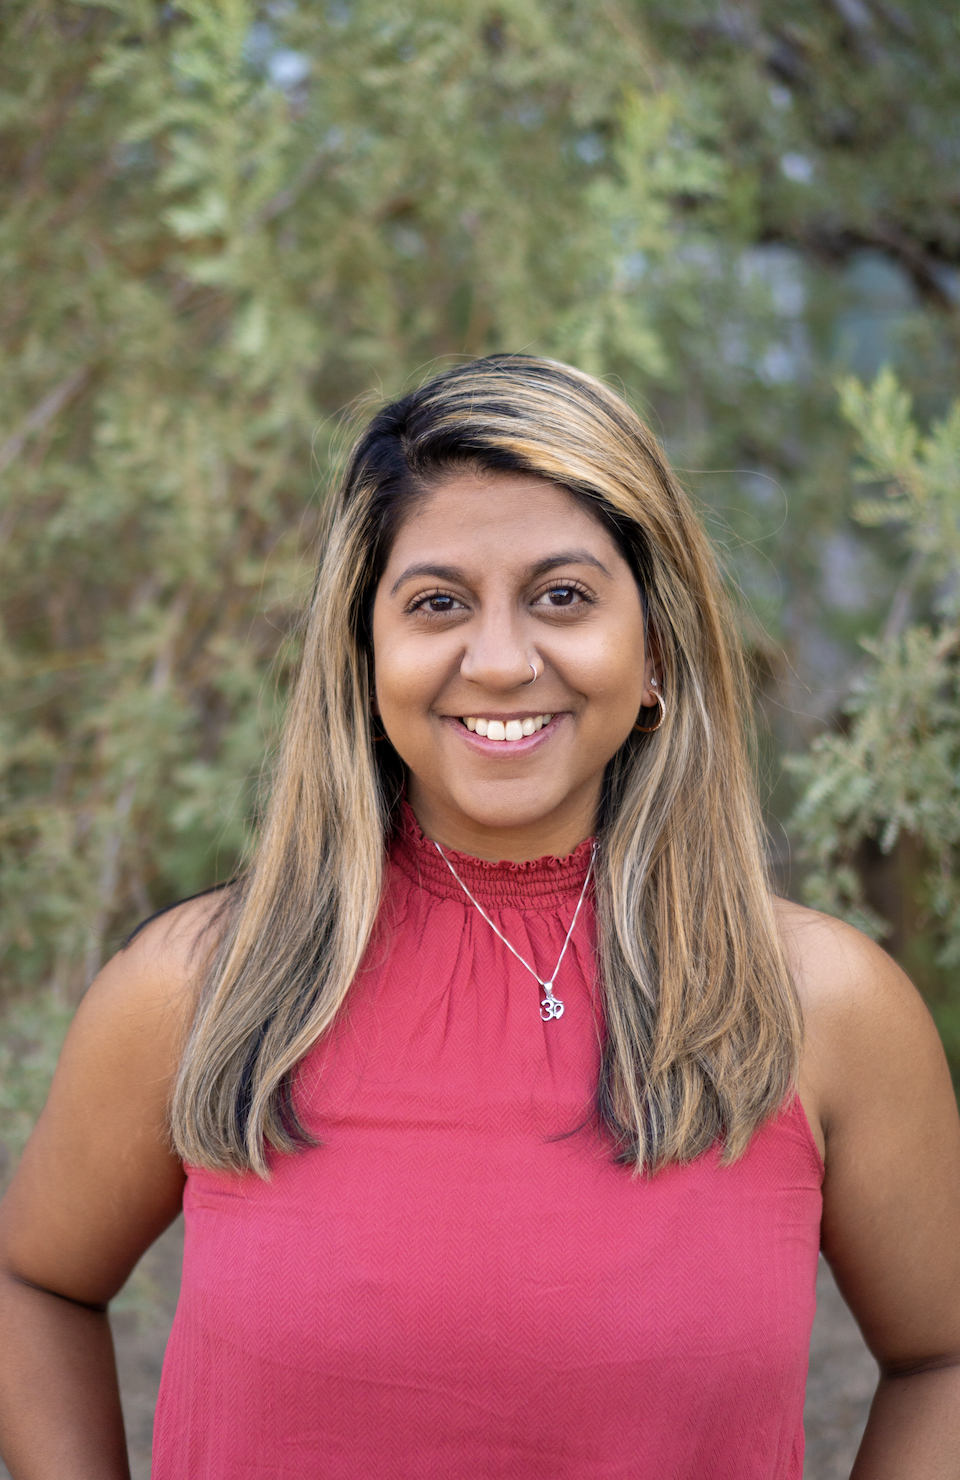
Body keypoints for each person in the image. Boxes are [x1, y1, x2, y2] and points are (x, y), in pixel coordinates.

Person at [1, 355, 959, 1480]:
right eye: (437, 602)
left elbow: (940, 1356)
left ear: (654, 649)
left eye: (563, 596)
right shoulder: (200, 985)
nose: (500, 661)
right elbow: (36, 1285)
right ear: (365, 655)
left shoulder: (820, 1006)